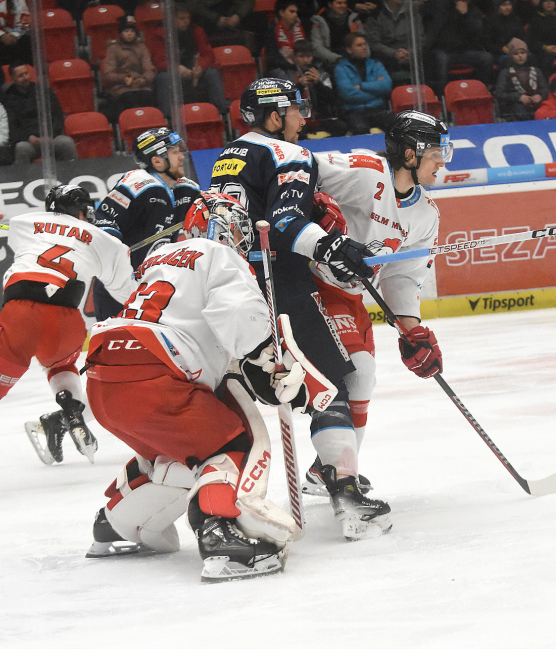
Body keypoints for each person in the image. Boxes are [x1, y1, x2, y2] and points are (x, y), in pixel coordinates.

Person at [83, 192, 313, 581]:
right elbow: (239, 316)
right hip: (155, 373)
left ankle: (116, 524)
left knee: (170, 453)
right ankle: (218, 533)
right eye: (238, 230)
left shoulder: (157, 258)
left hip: (104, 372)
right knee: (231, 446)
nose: (242, 239)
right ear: (221, 227)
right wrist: (268, 356)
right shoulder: (219, 254)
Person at [209, 78, 388, 541]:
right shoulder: (288, 155)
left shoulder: (228, 156)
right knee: (331, 387)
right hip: (278, 285)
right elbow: (286, 224)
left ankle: (216, 512)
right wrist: (332, 246)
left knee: (232, 406)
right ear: (273, 115)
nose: (303, 118)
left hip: (223, 291)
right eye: (295, 109)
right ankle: (345, 492)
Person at [0, 185, 138, 505]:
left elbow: (37, 239)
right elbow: (125, 290)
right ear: (86, 212)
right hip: (68, 323)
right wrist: (111, 249)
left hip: (21, 315)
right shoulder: (106, 241)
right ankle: (72, 407)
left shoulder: (23, 223)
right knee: (61, 365)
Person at [304, 112, 448, 535]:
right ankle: (340, 480)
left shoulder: (425, 214)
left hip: (346, 296)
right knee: (357, 373)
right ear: (410, 152)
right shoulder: (366, 173)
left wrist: (412, 330)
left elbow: (403, 275)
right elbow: (295, 171)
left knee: (363, 379)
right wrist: (315, 214)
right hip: (304, 281)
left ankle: (328, 469)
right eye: (436, 153)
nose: (442, 163)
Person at [90, 127, 200, 319]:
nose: (181, 157)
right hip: (118, 286)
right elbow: (104, 221)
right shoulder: (138, 182)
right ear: (157, 161)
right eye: (174, 152)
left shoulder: (187, 190)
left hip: (157, 287)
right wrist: (115, 250)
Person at [149, 4, 229, 118]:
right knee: (163, 78)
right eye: (182, 18)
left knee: (212, 73)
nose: (186, 21)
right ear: (172, 19)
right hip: (172, 71)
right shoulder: (159, 33)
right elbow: (159, 61)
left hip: (194, 68)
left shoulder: (196, 30)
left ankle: (221, 114)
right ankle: (167, 118)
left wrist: (200, 67)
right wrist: (178, 68)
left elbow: (208, 54)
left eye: (187, 18)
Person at [0, 61, 77, 165]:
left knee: (66, 143)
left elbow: (57, 115)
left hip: (50, 138)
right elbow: (11, 126)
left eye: (26, 73)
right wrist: (28, 137)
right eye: (20, 76)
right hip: (29, 142)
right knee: (21, 148)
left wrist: (50, 134)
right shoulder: (8, 99)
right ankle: (23, 179)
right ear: (12, 79)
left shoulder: (43, 91)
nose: (25, 77)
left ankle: (73, 176)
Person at [269, 39, 347, 138]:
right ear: (294, 56)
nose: (306, 60)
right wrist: (300, 85)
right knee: (297, 132)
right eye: (301, 56)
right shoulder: (285, 74)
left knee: (341, 127)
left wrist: (318, 84)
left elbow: (332, 100)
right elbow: (283, 100)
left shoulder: (321, 74)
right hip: (295, 118)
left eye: (308, 56)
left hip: (319, 118)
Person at [101, 16, 157, 123]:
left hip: (141, 85)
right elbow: (108, 74)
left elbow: (149, 69)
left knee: (148, 96)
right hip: (121, 86)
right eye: (126, 31)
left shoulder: (142, 47)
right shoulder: (113, 49)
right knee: (129, 98)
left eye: (132, 31)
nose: (130, 34)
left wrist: (144, 79)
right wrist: (124, 78)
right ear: (121, 33)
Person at [335, 33, 394, 134]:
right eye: (359, 45)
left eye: (364, 44)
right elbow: (349, 94)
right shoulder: (341, 69)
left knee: (397, 123)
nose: (364, 47)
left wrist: (362, 86)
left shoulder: (376, 64)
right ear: (349, 49)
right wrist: (376, 91)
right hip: (354, 111)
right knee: (360, 129)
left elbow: (386, 86)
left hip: (378, 109)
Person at [431, 0, 496, 89]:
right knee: (441, 60)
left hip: (465, 51)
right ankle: (442, 94)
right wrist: (458, 13)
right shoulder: (443, 7)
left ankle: (483, 90)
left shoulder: (474, 10)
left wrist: (464, 15)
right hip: (445, 50)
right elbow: (441, 32)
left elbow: (476, 33)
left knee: (486, 58)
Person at [495, 38, 547, 120]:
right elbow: (500, 94)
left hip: (535, 102)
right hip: (514, 105)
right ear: (511, 56)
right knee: (522, 113)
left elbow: (545, 89)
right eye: (516, 53)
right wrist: (519, 97)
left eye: (523, 53)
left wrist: (540, 96)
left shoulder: (536, 70)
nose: (520, 56)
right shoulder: (505, 72)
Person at [310, 0, 364, 70]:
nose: (343, 6)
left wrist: (363, 55)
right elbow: (317, 47)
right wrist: (338, 59)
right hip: (330, 61)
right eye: (339, 3)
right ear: (330, 4)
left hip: (355, 57)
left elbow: (364, 40)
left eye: (345, 3)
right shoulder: (319, 20)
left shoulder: (354, 18)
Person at [526, 0, 556, 75]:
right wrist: (546, 47)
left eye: (551, 1)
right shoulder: (536, 19)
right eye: (546, 1)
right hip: (541, 51)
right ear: (542, 4)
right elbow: (532, 40)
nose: (549, 3)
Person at [267, 0, 308, 70]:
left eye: (296, 12)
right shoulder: (271, 28)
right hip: (279, 68)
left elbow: (308, 50)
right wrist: (293, 66)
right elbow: (272, 57)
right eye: (291, 12)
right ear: (281, 13)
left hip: (302, 65)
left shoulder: (300, 26)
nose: (295, 15)